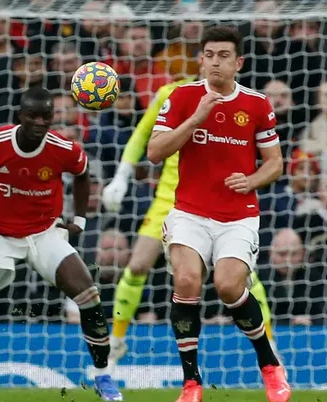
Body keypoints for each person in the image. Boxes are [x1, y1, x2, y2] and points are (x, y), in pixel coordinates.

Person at [0, 87, 122, 402]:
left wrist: (79, 219)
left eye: (46, 116)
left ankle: (103, 375)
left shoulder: (62, 148)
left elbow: (82, 174)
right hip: (0, 235)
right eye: (33, 116)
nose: (40, 122)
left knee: (89, 294)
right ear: (20, 116)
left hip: (45, 232)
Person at [147, 25, 289, 402]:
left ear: (238, 62)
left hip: (238, 215)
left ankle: (269, 364)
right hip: (188, 212)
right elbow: (155, 152)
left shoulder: (257, 104)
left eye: (224, 56)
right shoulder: (181, 96)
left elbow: (275, 164)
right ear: (201, 59)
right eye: (209, 55)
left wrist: (252, 180)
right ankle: (191, 382)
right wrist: (194, 120)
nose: (215, 62)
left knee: (228, 286)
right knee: (188, 279)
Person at [101, 74, 275, 361]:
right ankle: (117, 339)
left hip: (213, 199)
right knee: (138, 265)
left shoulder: (240, 100)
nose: (214, 65)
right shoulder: (172, 93)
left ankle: (270, 342)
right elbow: (142, 137)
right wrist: (121, 177)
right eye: (209, 57)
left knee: (241, 276)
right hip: (168, 198)